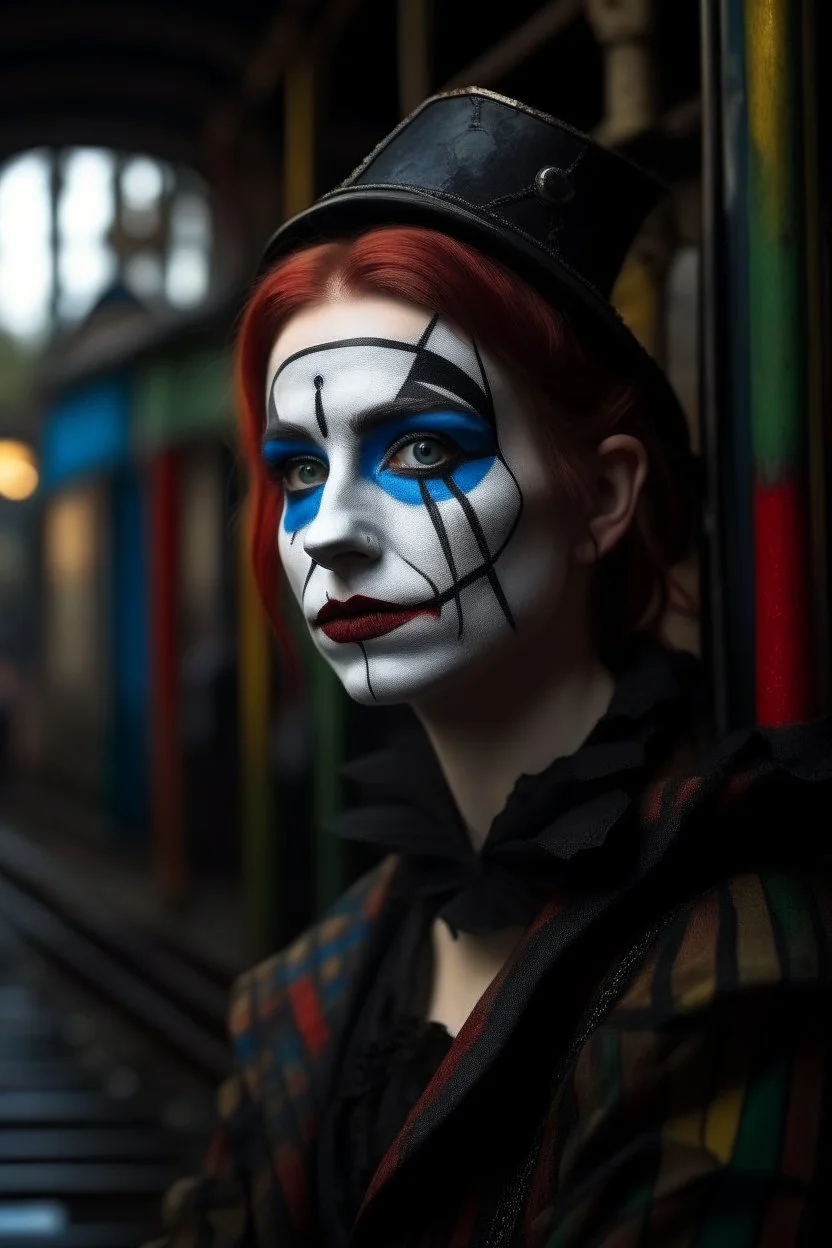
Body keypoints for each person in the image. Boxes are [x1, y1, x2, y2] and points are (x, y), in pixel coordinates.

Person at [148, 88, 832, 1247]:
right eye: (299, 469)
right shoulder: (311, 985)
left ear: (603, 496)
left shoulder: (742, 974)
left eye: (420, 446)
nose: (328, 531)